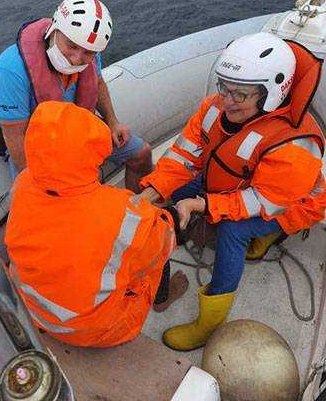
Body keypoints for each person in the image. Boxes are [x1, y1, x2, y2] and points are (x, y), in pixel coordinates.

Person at [139, 32, 326, 351]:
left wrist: (202, 204)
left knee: (232, 231)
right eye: (224, 87)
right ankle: (262, 238)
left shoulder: (295, 145)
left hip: (291, 205)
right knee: (178, 188)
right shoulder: (215, 109)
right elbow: (184, 156)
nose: (226, 100)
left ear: (272, 94)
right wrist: (150, 193)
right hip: (234, 183)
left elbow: (262, 202)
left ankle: (208, 324)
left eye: (239, 94)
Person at [6, 100, 183, 348]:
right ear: (95, 154)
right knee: (155, 252)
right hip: (90, 330)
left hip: (30, 306)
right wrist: (171, 216)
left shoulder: (22, 184)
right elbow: (165, 243)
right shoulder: (123, 214)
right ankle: (163, 297)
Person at [0, 0, 152, 191]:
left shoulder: (89, 55)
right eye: (71, 46)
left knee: (141, 154)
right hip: (35, 142)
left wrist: (112, 121)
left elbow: (97, 83)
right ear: (54, 29)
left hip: (77, 129)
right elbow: (14, 134)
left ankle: (136, 214)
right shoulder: (10, 69)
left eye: (88, 53)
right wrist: (35, 180)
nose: (77, 60)